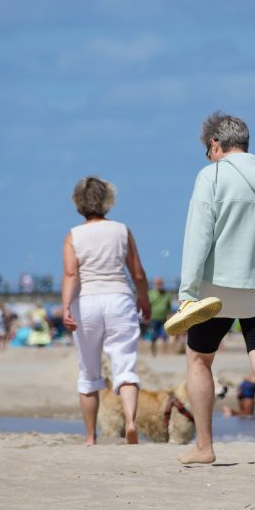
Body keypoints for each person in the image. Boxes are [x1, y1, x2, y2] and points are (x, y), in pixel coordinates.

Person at [175, 112, 255, 466]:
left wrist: (186, 292)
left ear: (215, 143)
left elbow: (198, 236)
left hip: (217, 286)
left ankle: (205, 446)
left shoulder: (211, 176)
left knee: (199, 360)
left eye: (206, 149)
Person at [61, 176, 151, 446]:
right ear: (107, 201)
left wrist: (65, 307)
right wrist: (144, 299)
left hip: (87, 301)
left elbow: (70, 273)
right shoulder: (122, 230)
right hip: (119, 299)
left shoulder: (73, 235)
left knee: (88, 373)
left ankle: (90, 437)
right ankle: (131, 422)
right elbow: (137, 272)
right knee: (125, 365)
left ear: (78, 202)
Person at [146, 277, 172, 356]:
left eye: (160, 283)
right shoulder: (150, 293)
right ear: (155, 284)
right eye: (157, 284)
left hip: (164, 319)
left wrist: (169, 316)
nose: (159, 285)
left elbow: (169, 307)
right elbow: (147, 306)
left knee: (164, 336)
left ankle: (164, 353)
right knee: (153, 337)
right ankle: (153, 352)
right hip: (153, 318)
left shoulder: (167, 295)